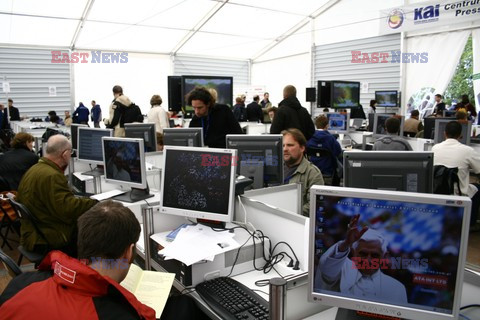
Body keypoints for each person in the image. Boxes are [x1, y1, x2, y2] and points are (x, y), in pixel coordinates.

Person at [17, 135, 97, 255]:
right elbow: (68, 210)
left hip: (33, 232)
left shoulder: (35, 169)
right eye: (71, 153)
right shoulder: (52, 176)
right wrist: (95, 201)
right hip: (48, 237)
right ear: (65, 154)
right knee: (96, 231)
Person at [315, 215, 408, 304]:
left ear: (384, 256)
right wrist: (346, 243)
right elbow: (326, 267)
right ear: (353, 252)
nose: (368, 260)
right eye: (363, 254)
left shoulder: (397, 288)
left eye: (375, 255)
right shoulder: (341, 270)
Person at [432, 121, 480, 229]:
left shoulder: (434, 148)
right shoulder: (468, 151)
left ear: (444, 133)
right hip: (458, 194)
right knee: (477, 188)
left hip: (437, 191)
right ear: (461, 135)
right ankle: (470, 223)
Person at [282, 128, 324, 216]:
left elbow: (314, 205)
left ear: (302, 148)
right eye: (283, 145)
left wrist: (285, 213)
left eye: (290, 145)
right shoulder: (275, 169)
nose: (285, 149)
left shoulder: (313, 173)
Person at [306, 115, 342, 186]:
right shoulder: (331, 139)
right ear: (327, 125)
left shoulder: (309, 138)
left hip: (313, 172)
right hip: (328, 173)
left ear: (316, 125)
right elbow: (338, 152)